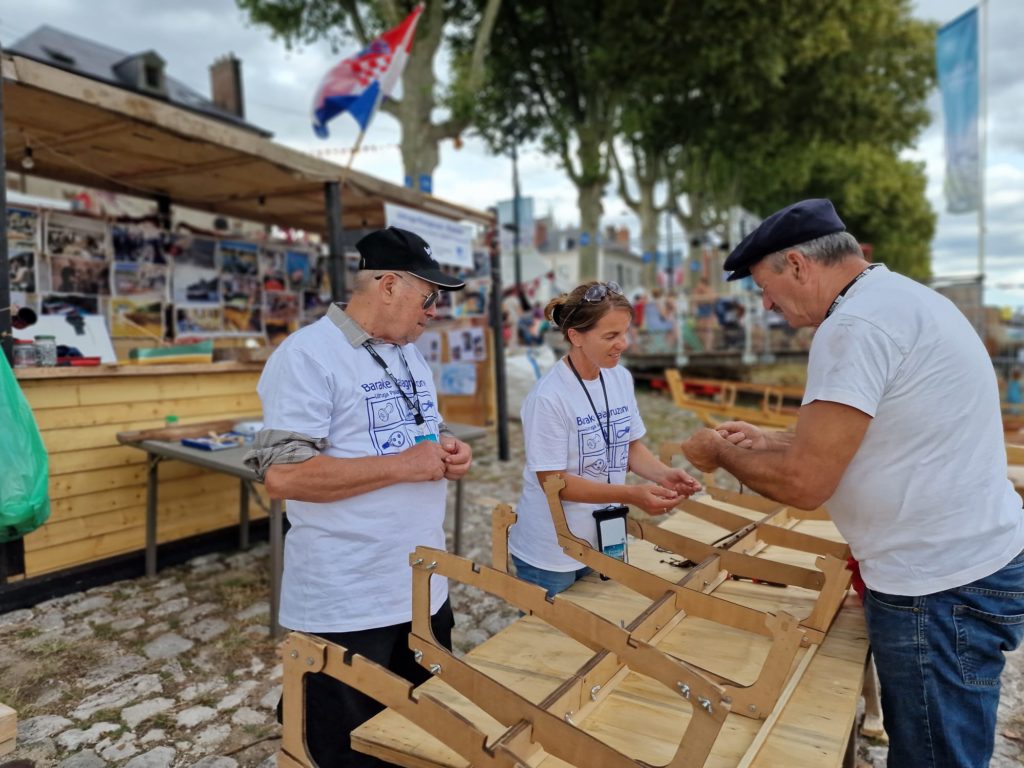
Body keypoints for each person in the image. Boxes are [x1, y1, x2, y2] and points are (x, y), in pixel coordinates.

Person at [680, 198, 1024, 768]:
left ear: (797, 264)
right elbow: (880, 432)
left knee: (933, 758)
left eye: (765, 287)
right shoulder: (898, 299)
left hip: (936, 584)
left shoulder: (853, 327)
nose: (766, 305)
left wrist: (717, 453)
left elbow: (805, 483)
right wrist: (767, 442)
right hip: (967, 564)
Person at [245, 226, 474, 768]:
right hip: (349, 596)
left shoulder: (409, 355)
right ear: (389, 286)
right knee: (342, 747)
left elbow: (421, 437)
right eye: (429, 295)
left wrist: (447, 450)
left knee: (421, 730)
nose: (434, 310)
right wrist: (404, 465)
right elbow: (282, 476)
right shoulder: (306, 356)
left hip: (421, 586)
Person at [509, 280, 702, 597]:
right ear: (576, 337)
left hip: (602, 538)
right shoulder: (548, 397)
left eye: (625, 333)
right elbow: (553, 482)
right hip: (552, 551)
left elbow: (629, 447)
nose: (623, 344)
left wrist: (665, 476)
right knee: (552, 642)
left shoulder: (619, 377)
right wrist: (632, 494)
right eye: (610, 336)